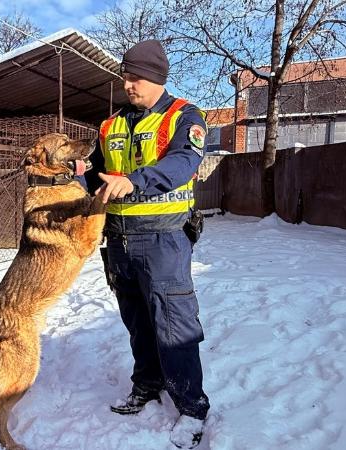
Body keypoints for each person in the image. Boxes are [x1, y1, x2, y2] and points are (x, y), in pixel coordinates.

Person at [79, 39, 210, 449]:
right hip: (118, 240)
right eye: (125, 76)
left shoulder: (184, 116)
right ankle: (147, 385)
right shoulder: (110, 125)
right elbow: (98, 174)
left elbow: (182, 163)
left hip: (164, 238)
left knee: (174, 325)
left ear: (156, 78)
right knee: (137, 321)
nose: (127, 84)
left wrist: (134, 180)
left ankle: (191, 408)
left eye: (135, 77)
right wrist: (78, 175)